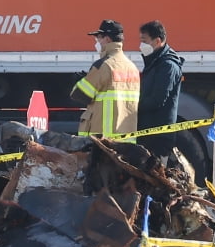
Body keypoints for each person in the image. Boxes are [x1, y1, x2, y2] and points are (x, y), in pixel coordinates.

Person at [70, 19, 140, 138]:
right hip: (126, 140)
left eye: (99, 38)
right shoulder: (132, 67)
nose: (97, 42)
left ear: (107, 39)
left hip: (103, 141)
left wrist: (81, 81)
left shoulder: (103, 65)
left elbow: (79, 95)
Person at [136, 20, 184, 159]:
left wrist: (132, 107)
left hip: (158, 136)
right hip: (148, 133)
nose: (141, 46)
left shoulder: (168, 65)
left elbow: (157, 100)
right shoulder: (154, 62)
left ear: (157, 41)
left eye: (144, 41)